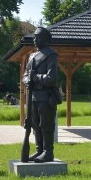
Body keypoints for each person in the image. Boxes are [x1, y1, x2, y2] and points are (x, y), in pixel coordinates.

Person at [23, 26, 62, 163]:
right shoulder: (32, 56)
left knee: (46, 125)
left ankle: (48, 152)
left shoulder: (51, 55)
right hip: (33, 96)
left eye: (38, 37)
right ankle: (39, 150)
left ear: (45, 39)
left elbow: (52, 78)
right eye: (34, 36)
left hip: (46, 96)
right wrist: (28, 80)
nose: (35, 39)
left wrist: (36, 77)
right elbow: (26, 75)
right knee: (35, 125)